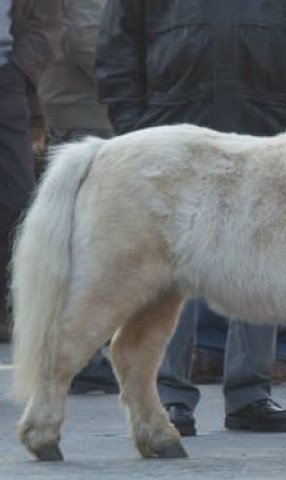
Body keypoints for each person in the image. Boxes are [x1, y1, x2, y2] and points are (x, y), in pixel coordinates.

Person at [96, 0, 286, 436]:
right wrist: (136, 129)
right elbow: (118, 48)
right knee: (166, 270)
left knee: (260, 261)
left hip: (267, 132)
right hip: (170, 134)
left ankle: (250, 394)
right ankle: (167, 395)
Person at [37, 0, 119, 394]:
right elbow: (89, 42)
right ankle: (80, 356)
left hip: (88, 115)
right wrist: (141, 79)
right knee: (84, 245)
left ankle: (83, 352)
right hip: (87, 119)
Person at [0, 0, 61, 343]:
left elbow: (47, 20)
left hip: (7, 81)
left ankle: (11, 310)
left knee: (17, 204)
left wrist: (20, 70)